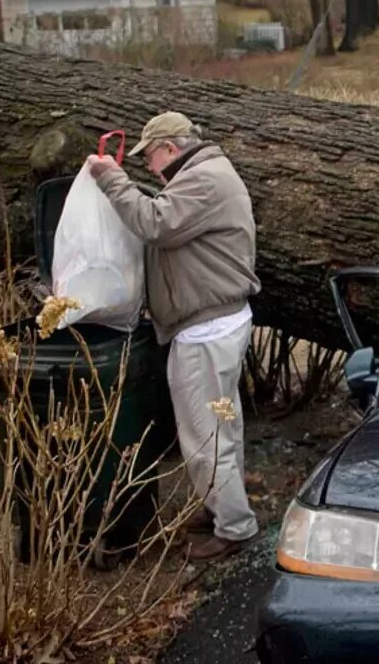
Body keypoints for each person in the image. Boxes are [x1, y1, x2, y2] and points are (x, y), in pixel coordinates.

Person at [87, 112, 261, 561]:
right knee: (223, 425)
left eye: (152, 156)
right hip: (216, 321)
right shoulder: (206, 174)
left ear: (170, 147)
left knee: (204, 435)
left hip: (206, 329)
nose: (150, 166)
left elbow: (155, 224)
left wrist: (111, 179)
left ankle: (234, 527)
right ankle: (223, 506)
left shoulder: (203, 180)